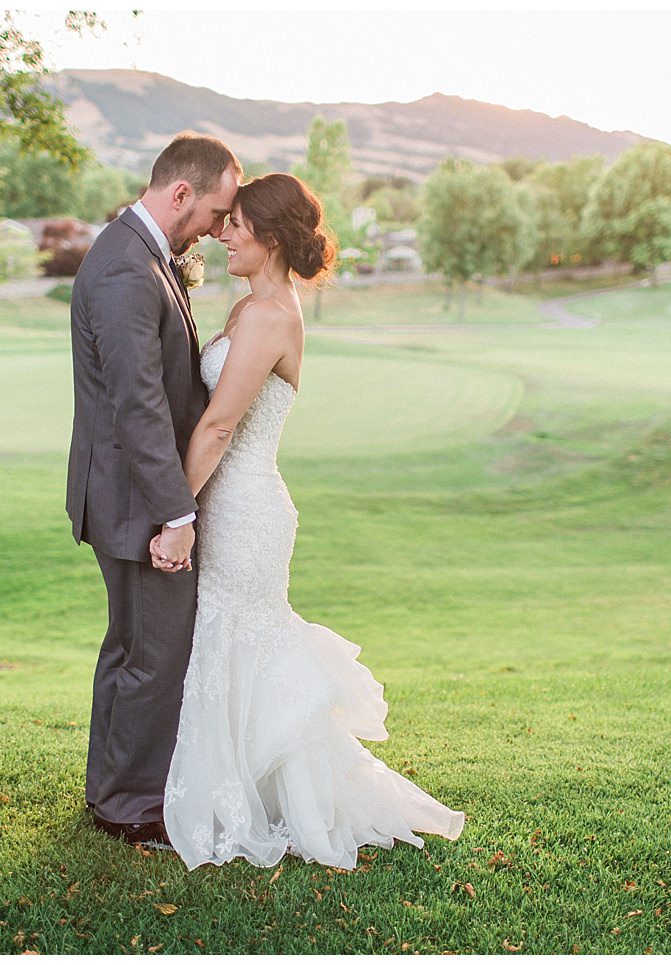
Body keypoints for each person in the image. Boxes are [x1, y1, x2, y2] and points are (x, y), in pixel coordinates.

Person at [155, 173, 466, 869]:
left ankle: (271, 799)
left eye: (234, 224)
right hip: (231, 501)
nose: (222, 233)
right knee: (226, 642)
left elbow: (219, 427)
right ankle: (242, 789)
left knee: (243, 640)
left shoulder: (269, 317)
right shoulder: (250, 306)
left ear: (267, 236)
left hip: (246, 508)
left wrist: (173, 515)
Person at [66, 132, 242, 848]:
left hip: (124, 492)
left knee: (131, 646)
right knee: (155, 653)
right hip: (137, 501)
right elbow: (138, 403)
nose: (217, 228)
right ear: (180, 194)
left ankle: (110, 790)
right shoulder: (126, 271)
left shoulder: (138, 255)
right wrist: (177, 513)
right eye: (215, 212)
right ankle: (131, 807)